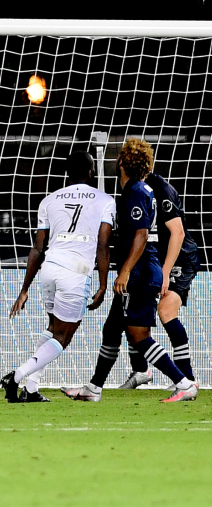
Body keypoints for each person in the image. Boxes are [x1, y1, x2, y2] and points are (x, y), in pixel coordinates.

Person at [61, 138, 197, 403]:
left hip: (141, 273)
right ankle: (94, 388)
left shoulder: (135, 192)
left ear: (123, 163)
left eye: (119, 157)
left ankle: (184, 382)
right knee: (112, 328)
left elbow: (142, 234)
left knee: (138, 335)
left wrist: (124, 272)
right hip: (141, 270)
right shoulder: (141, 190)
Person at [1, 151, 113, 403]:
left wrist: (24, 289)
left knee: (53, 329)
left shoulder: (49, 200)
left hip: (49, 267)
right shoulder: (105, 200)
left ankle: (31, 388)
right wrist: (104, 284)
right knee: (63, 336)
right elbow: (103, 246)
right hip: (76, 271)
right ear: (91, 172)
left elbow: (38, 247)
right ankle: (17, 376)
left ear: (66, 173)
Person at [118, 171, 200, 390]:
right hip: (156, 259)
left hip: (181, 258)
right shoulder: (135, 189)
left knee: (165, 311)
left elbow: (178, 232)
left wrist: (166, 272)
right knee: (135, 315)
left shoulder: (161, 189)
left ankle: (187, 378)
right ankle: (141, 370)